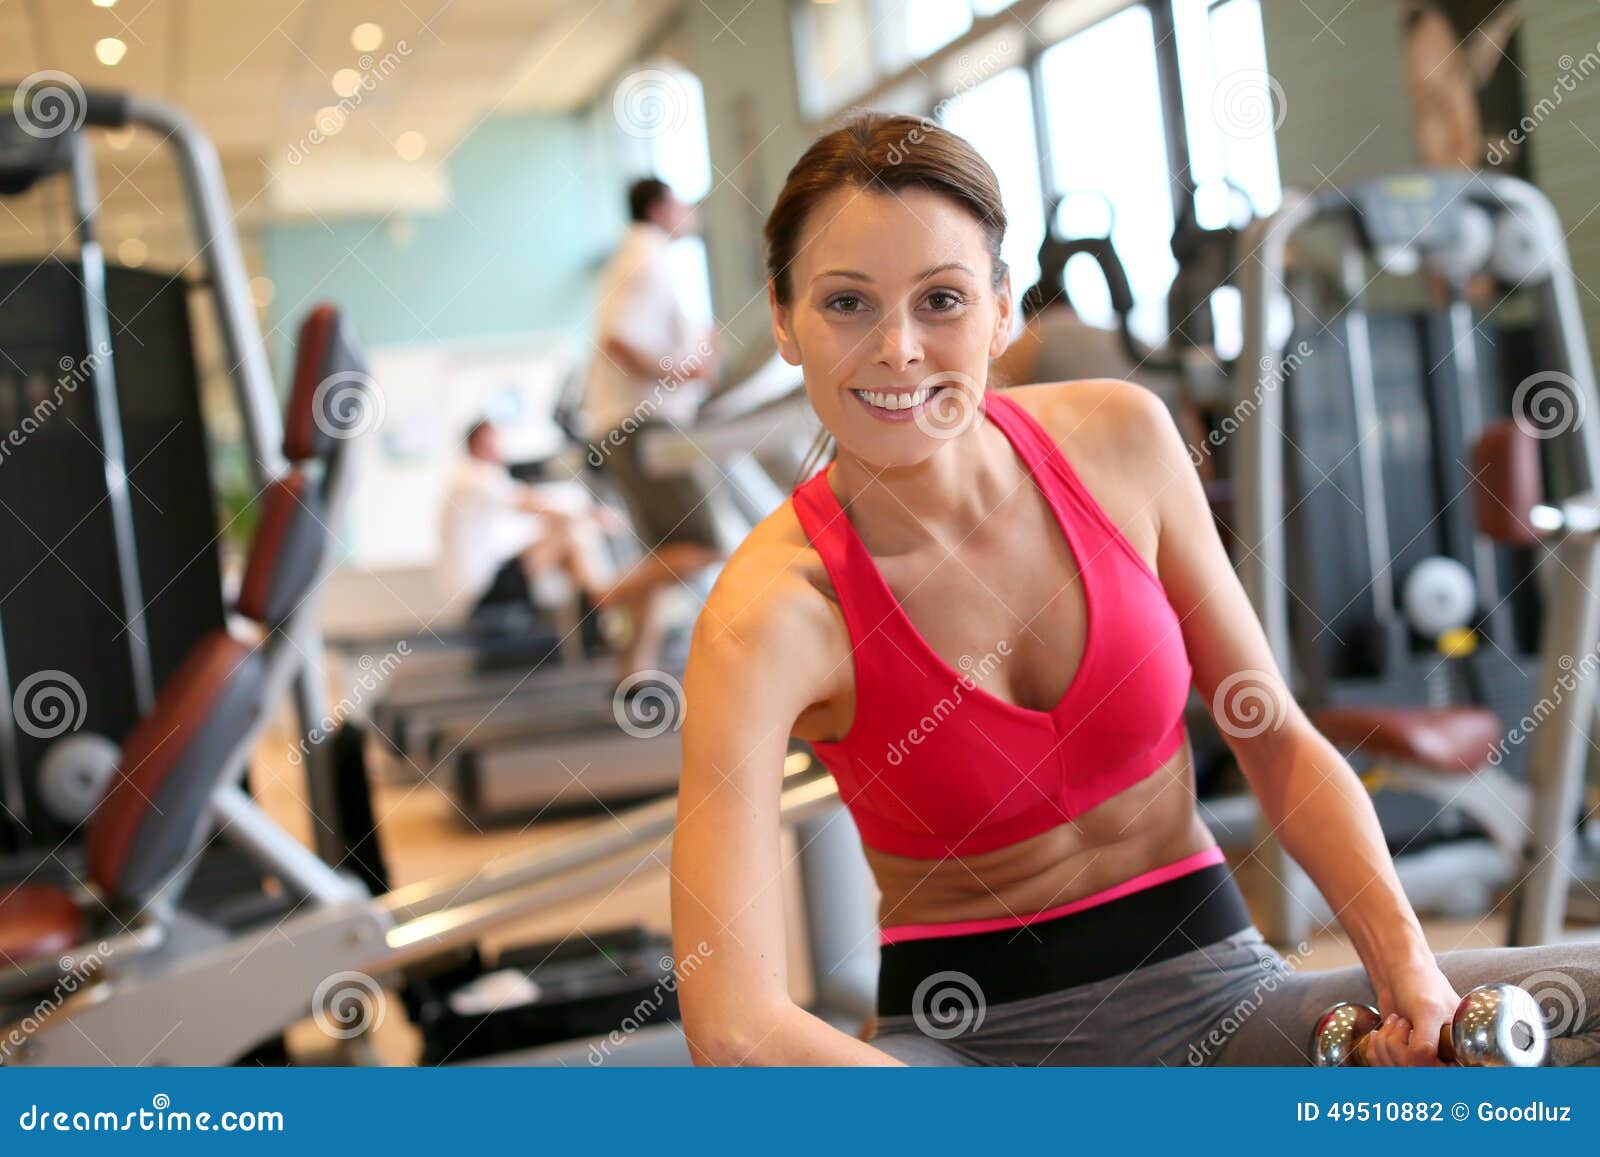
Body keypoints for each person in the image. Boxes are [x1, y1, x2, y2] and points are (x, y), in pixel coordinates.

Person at [669, 114, 1600, 1067]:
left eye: (940, 299)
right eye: (847, 304)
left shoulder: (1120, 439)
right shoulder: (769, 615)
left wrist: (1410, 969)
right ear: (785, 321)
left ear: (1000, 310)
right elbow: (734, 1026)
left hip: (1221, 992)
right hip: (968, 1058)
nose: (900, 349)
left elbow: (1273, 736)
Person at [584, 177, 727, 681]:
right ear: (661, 207)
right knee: (704, 545)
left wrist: (693, 360)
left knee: (664, 554)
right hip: (643, 426)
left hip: (634, 422)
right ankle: (605, 592)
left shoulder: (640, 257)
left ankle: (631, 674)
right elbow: (616, 342)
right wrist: (682, 371)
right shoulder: (647, 257)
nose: (690, 211)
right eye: (682, 203)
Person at [437, 417, 616, 631]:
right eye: (492, 442)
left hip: (489, 579)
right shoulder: (476, 476)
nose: (499, 449)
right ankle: (606, 606)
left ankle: (594, 616)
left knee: (569, 538)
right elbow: (530, 503)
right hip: (483, 589)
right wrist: (591, 514)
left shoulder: (469, 477)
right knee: (571, 533)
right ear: (475, 445)